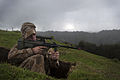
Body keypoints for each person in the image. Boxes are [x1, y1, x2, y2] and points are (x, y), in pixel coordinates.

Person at [8, 22, 75, 78]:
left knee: (41, 57)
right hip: (22, 71)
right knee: (38, 57)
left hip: (40, 73)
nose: (33, 38)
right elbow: (10, 57)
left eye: (34, 35)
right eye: (30, 36)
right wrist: (32, 51)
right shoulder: (20, 44)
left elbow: (52, 67)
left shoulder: (43, 45)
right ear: (24, 36)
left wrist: (54, 60)